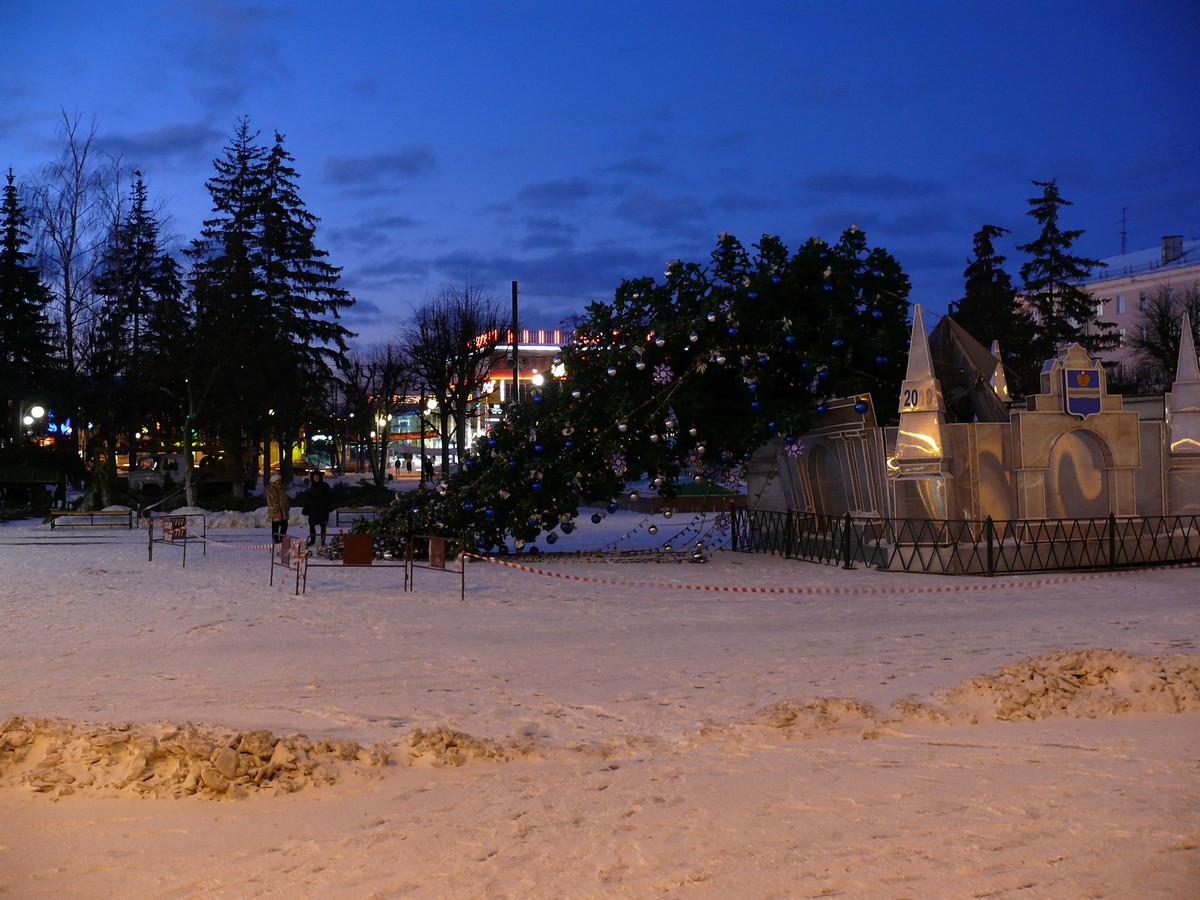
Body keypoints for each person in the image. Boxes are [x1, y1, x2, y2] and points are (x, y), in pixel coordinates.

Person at [304, 470, 333, 546]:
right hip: (313, 509)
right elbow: (309, 497)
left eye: (317, 476)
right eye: (314, 477)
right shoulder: (312, 486)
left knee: (323, 525)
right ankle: (312, 540)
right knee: (312, 524)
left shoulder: (325, 486)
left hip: (322, 509)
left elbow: (329, 496)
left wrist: (326, 504)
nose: (316, 478)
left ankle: (322, 541)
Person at [265, 473, 290, 544]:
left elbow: (285, 498)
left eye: (280, 480)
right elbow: (270, 500)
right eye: (278, 480)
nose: (279, 481)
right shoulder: (271, 489)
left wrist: (286, 507)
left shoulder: (282, 488)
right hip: (276, 512)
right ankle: (275, 540)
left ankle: (282, 538)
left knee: (284, 525)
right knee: (275, 526)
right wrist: (275, 508)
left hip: (283, 511)